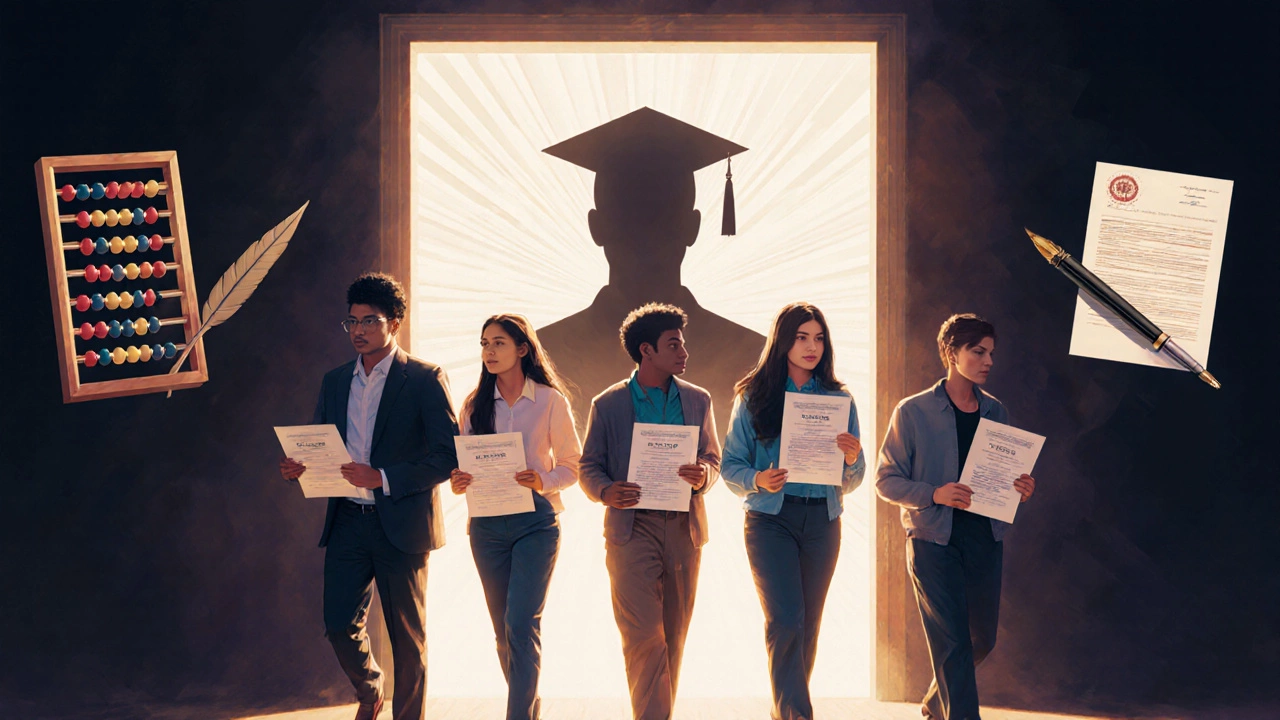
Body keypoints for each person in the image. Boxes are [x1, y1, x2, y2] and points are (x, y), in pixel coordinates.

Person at [279, 273, 458, 720]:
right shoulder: (336, 381)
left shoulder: (424, 378)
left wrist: (383, 477)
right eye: (351, 321)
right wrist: (298, 468)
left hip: (401, 522)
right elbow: (321, 443)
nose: (358, 330)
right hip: (347, 521)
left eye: (369, 321)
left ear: (394, 323)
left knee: (406, 639)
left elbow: (446, 456)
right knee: (339, 624)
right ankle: (370, 687)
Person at [537, 106, 765, 439]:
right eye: (631, 216)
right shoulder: (546, 356)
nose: (645, 235)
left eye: (659, 217)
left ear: (691, 227)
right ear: (597, 227)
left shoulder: (751, 358)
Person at [874, 314, 1037, 720]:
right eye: (978, 352)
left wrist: (1021, 489)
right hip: (932, 541)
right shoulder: (912, 411)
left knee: (982, 638)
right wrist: (934, 493)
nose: (988, 361)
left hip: (984, 538)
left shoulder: (996, 411)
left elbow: (1002, 480)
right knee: (953, 643)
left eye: (991, 353)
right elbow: (885, 480)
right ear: (952, 353)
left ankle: (934, 702)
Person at [720, 302, 866, 720]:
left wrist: (853, 459)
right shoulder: (753, 396)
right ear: (782, 340)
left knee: (808, 623)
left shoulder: (840, 399)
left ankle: (784, 708)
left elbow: (852, 481)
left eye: (818, 338)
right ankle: (796, 714)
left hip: (823, 519)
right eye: (801, 337)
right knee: (785, 619)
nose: (811, 346)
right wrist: (757, 480)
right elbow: (731, 466)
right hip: (770, 521)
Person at [578, 302, 721, 720]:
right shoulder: (608, 404)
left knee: (674, 638)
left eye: (683, 343)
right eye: (674, 344)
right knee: (644, 637)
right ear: (647, 351)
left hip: (684, 530)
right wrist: (606, 491)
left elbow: (712, 458)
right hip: (631, 530)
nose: (684, 353)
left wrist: (703, 477)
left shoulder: (698, 400)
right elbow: (588, 466)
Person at [447, 314, 582, 720]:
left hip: (536, 524)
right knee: (503, 632)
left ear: (523, 349)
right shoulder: (473, 405)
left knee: (521, 624)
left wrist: (541, 480)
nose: (489, 351)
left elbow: (573, 466)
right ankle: (528, 703)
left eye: (499, 343)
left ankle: (518, 715)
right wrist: (459, 480)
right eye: (484, 343)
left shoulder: (550, 401)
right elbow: (464, 466)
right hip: (485, 526)